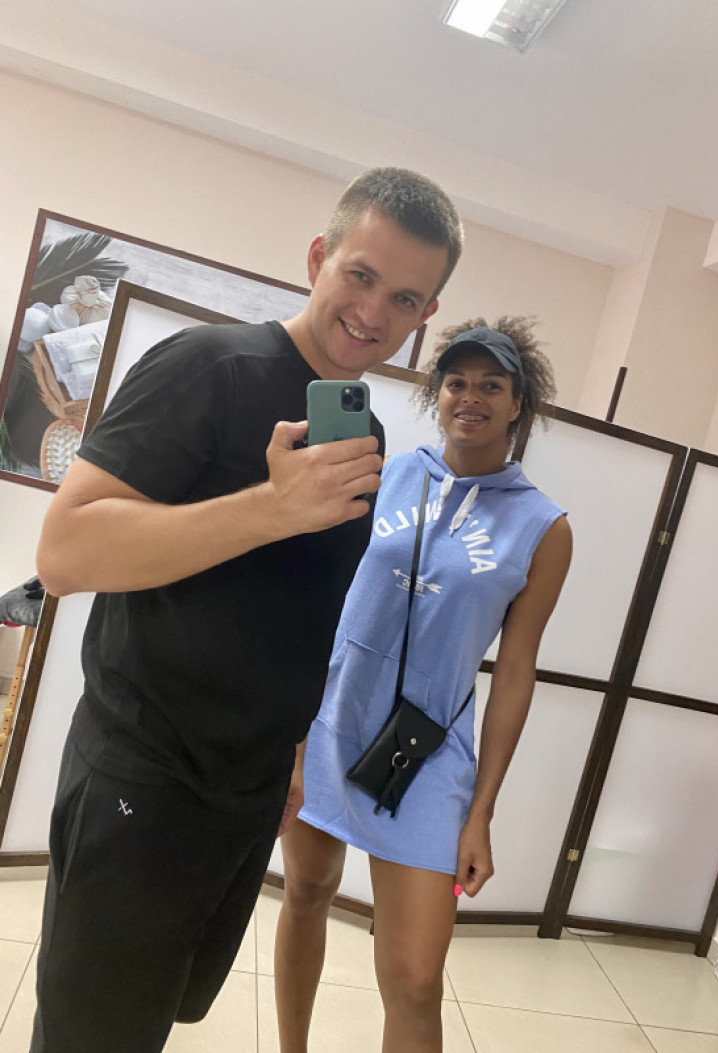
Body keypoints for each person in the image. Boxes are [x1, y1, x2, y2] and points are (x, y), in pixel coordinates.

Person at [31, 167, 463, 1053]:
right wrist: (270, 507)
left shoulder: (365, 436)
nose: (373, 312)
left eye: (404, 298)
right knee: (94, 1033)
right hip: (144, 773)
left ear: (426, 315)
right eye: (361, 275)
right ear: (317, 257)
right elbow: (64, 553)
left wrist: (294, 747)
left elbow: (306, 599)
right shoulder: (206, 367)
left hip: (249, 786)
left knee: (163, 1010)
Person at [275, 317, 573, 1053]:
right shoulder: (389, 471)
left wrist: (481, 812)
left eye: (491, 385)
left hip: (426, 752)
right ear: (435, 394)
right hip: (331, 719)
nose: (470, 396)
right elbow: (315, 587)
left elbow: (515, 670)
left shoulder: (543, 527)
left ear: (519, 403)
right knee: (306, 892)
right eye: (456, 382)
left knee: (414, 979)